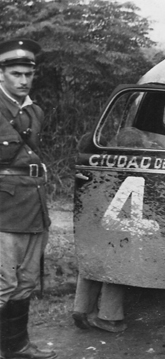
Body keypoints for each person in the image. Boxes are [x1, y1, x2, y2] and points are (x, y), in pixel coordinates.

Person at [0, 39, 57, 359]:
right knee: (3, 284)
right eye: (16, 74)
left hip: (34, 204)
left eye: (28, 75)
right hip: (4, 208)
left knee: (25, 282)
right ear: (1, 74)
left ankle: (16, 347)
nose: (23, 81)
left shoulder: (35, 111)